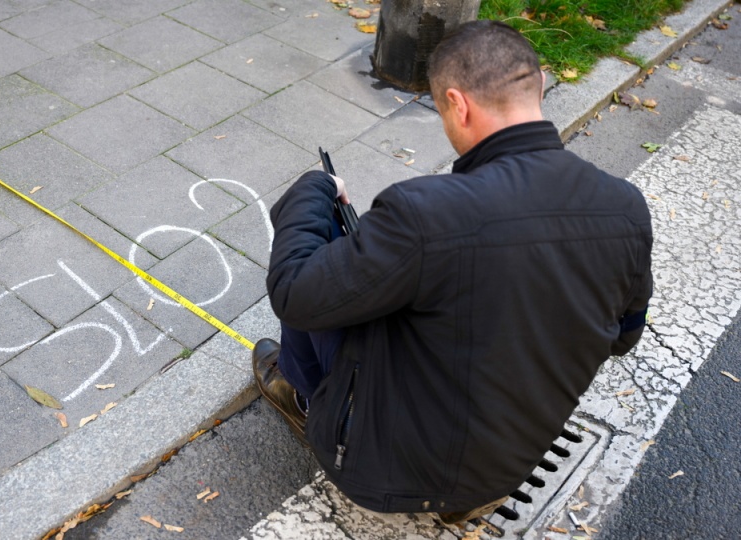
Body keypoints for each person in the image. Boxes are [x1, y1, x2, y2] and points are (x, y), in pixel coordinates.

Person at [253, 20, 653, 524]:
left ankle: (305, 399)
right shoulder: (626, 207)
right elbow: (623, 337)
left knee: (324, 257)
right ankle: (472, 493)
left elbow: (294, 291)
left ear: (458, 104)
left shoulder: (426, 212)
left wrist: (314, 189)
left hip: (385, 473)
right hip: (511, 460)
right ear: (541, 87)